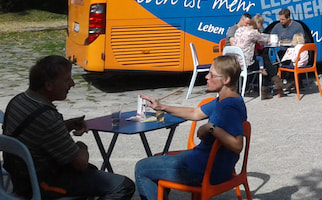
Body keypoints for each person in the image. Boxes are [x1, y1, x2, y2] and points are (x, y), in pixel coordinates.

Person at [3, 55, 135, 200]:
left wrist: (68, 125)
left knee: (93, 174)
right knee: (123, 186)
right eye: (67, 80)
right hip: (42, 184)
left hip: (21, 178)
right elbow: (81, 164)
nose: (72, 84)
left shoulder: (18, 101)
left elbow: (40, 135)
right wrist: (81, 146)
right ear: (48, 85)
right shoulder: (49, 118)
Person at [135, 55, 247, 200]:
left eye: (211, 75)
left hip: (204, 170)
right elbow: (195, 113)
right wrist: (161, 107)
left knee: (142, 168)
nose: (206, 77)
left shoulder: (228, 107)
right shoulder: (228, 99)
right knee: (158, 161)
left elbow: (237, 145)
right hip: (209, 163)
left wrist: (211, 128)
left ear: (226, 80)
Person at [231, 15, 285, 97]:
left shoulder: (240, 29)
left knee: (264, 60)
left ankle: (275, 85)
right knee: (265, 64)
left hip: (235, 62)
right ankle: (273, 86)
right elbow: (265, 41)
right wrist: (269, 38)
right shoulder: (253, 33)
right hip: (246, 64)